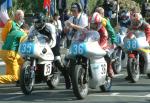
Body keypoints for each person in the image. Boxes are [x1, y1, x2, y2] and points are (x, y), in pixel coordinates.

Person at [28, 13, 71, 89]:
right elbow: (29, 38)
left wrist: (45, 48)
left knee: (57, 60)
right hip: (40, 44)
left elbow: (53, 42)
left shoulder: (50, 27)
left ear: (43, 21)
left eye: (38, 22)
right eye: (35, 22)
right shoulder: (32, 28)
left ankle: (67, 79)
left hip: (53, 43)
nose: (36, 24)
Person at [0, 10, 26, 83]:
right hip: (9, 52)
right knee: (14, 77)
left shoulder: (19, 28)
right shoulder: (11, 23)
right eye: (22, 17)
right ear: (17, 16)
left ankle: (21, 79)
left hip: (11, 52)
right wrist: (8, 44)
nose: (23, 19)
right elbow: (3, 35)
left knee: (22, 62)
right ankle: (17, 78)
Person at [125, 12, 150, 80]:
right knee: (131, 53)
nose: (135, 22)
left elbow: (148, 34)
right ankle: (130, 73)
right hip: (136, 43)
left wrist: (147, 41)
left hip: (145, 42)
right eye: (134, 21)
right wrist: (127, 37)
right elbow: (128, 33)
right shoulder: (131, 25)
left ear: (141, 20)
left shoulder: (146, 25)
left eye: (137, 21)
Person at [89, 12, 114, 78]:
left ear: (99, 23)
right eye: (92, 24)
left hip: (102, 45)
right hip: (91, 46)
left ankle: (109, 69)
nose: (93, 26)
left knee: (106, 54)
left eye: (95, 24)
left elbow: (104, 41)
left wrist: (99, 47)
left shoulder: (103, 31)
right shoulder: (88, 29)